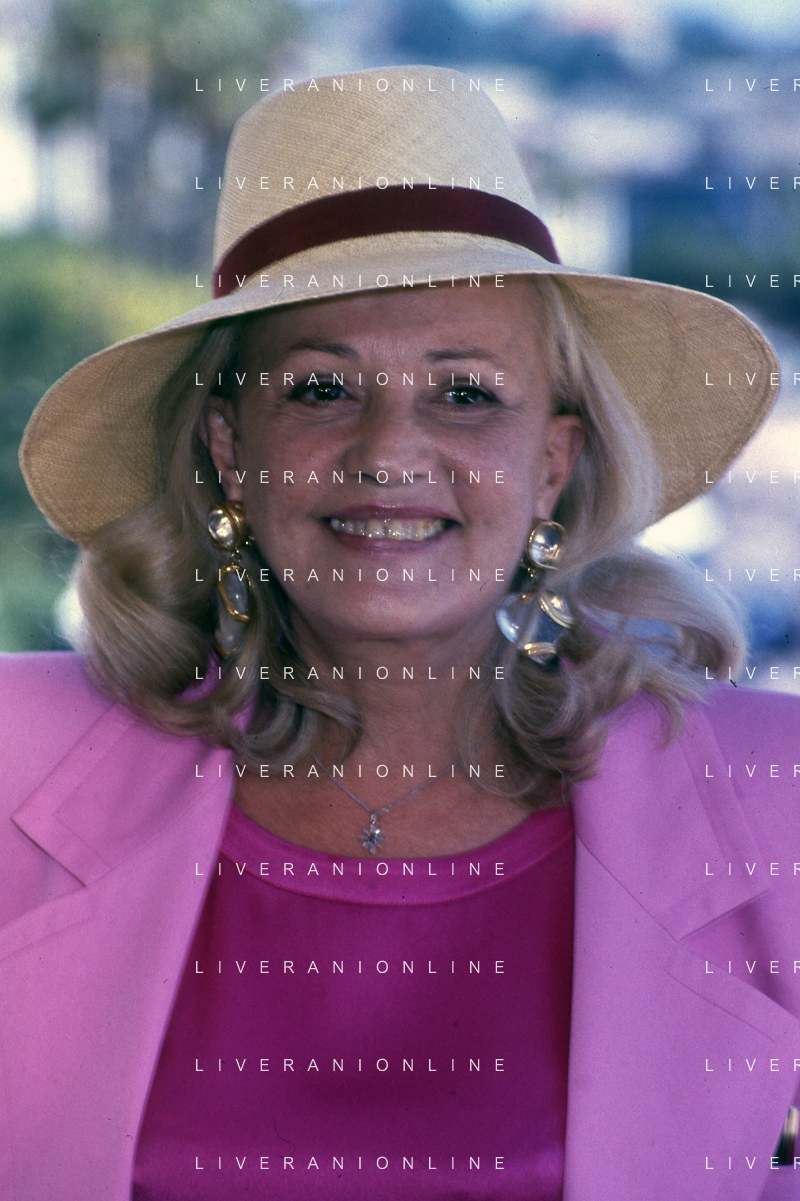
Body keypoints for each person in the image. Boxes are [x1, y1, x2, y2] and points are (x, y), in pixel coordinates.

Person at [1, 64, 799, 1201]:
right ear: (231, 449)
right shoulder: (18, 756)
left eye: (464, 394)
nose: (387, 453)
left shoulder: (768, 792)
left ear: (553, 462)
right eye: (320, 389)